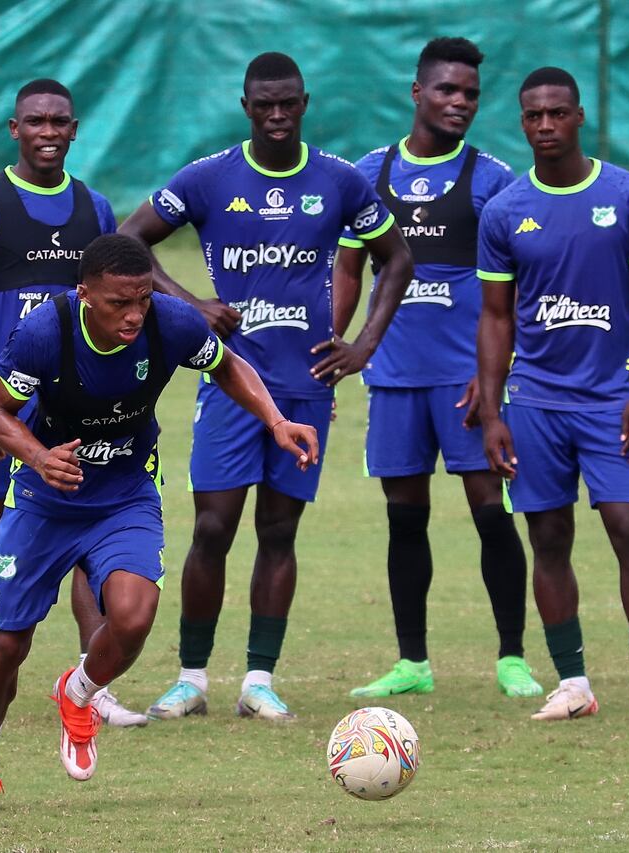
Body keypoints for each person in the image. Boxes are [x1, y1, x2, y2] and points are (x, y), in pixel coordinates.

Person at [0, 234, 319, 815]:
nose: (134, 314)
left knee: (134, 616)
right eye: (120, 302)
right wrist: (40, 457)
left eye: (142, 298)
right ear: (85, 293)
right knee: (9, 642)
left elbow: (226, 366)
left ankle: (78, 694)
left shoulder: (170, 323)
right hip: (46, 500)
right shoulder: (46, 332)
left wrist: (275, 420)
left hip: (125, 493)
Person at [118, 52, 413, 721]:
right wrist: (192, 304)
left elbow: (397, 258)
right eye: (264, 105)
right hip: (227, 382)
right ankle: (191, 678)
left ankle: (259, 678)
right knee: (213, 527)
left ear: (304, 103)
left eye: (288, 104)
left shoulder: (337, 181)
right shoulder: (209, 177)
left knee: (280, 530)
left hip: (306, 384)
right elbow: (129, 239)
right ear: (246, 106)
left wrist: (364, 344)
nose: (277, 116)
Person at [333, 38, 543, 701]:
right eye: (448, 90)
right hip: (394, 376)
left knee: (490, 509)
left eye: (471, 94)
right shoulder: (368, 172)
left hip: (467, 380)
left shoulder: (493, 179)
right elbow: (346, 268)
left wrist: (496, 374)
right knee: (405, 515)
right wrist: (332, 345)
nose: (460, 103)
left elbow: (515, 289)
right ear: (417, 93)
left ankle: (512, 656)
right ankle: (412, 661)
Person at [0, 78, 149, 728]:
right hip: (3, 413)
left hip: (77, 417)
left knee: (93, 545)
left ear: (75, 128)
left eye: (60, 122)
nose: (49, 132)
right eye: (36, 121)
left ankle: (93, 683)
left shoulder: (95, 210)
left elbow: (117, 311)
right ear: (14, 128)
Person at [476, 67, 629, 725]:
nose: (545, 126)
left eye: (557, 114)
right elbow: (496, 316)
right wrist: (495, 411)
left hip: (609, 398)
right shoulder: (505, 210)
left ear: (579, 116)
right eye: (533, 116)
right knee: (549, 536)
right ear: (522, 121)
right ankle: (573, 682)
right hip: (534, 402)